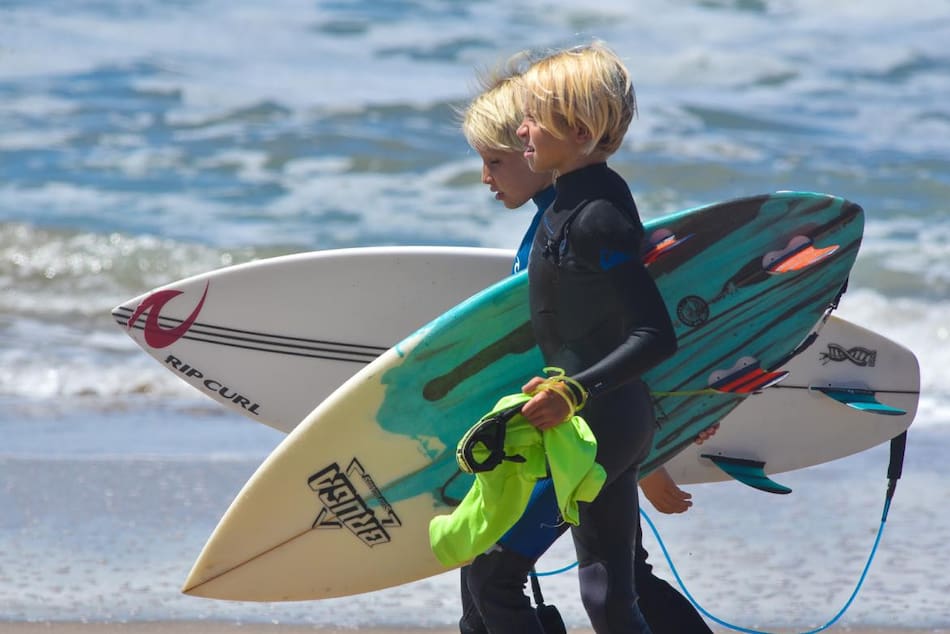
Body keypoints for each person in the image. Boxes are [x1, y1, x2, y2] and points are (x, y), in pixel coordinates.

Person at [457, 50, 715, 634]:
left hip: (598, 423)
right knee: (611, 592)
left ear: (578, 131)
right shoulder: (564, 208)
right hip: (587, 422)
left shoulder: (599, 215)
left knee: (499, 576)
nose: (522, 129)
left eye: (532, 120)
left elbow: (654, 334)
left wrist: (573, 393)